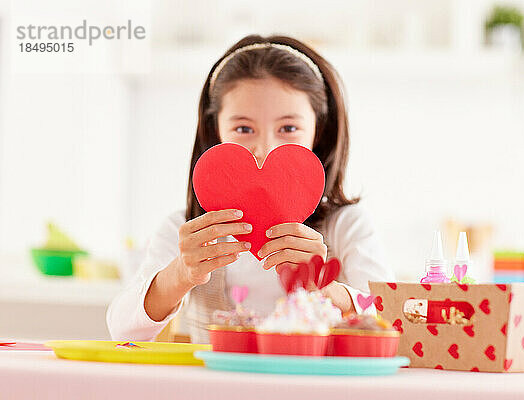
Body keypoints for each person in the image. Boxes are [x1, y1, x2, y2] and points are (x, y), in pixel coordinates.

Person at [107, 34, 394, 343]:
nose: (264, 148)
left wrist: (325, 288)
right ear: (214, 130)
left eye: (288, 128)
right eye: (243, 129)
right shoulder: (185, 229)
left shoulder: (346, 226)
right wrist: (180, 274)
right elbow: (122, 329)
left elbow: (394, 320)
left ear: (319, 132)